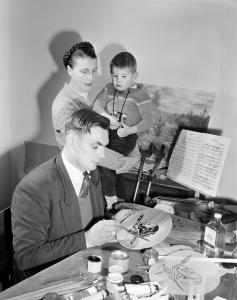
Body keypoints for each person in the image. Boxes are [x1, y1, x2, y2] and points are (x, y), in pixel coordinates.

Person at [11, 109, 128, 277]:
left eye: (104, 147)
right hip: (51, 278)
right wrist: (88, 239)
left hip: (86, 264)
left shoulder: (91, 171)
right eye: (96, 146)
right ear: (72, 140)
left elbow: (90, 219)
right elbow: (26, 257)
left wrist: (113, 220)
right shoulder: (33, 188)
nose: (102, 155)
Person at [51, 41, 140, 190]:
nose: (90, 78)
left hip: (109, 170)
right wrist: (127, 162)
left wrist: (133, 149)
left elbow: (121, 123)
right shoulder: (64, 105)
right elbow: (85, 148)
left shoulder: (97, 92)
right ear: (70, 70)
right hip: (85, 181)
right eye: (84, 71)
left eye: (94, 71)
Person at [92, 51, 152, 209]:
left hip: (126, 137)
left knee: (104, 162)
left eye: (124, 76)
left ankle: (111, 201)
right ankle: (122, 200)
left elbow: (148, 121)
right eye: (114, 76)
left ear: (135, 75)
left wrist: (130, 130)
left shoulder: (140, 95)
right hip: (109, 133)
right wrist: (107, 117)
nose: (118, 81)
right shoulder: (109, 89)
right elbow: (96, 106)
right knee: (112, 168)